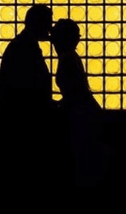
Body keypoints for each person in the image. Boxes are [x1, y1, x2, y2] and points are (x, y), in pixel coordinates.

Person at [0, 4, 56, 183]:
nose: (50, 28)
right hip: (20, 124)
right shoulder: (25, 48)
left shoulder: (22, 45)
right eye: (48, 23)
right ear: (38, 23)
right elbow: (27, 88)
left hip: (15, 121)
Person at [50, 18, 107, 188]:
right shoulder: (71, 57)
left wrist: (59, 105)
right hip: (84, 112)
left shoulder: (66, 58)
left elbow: (73, 92)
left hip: (79, 116)